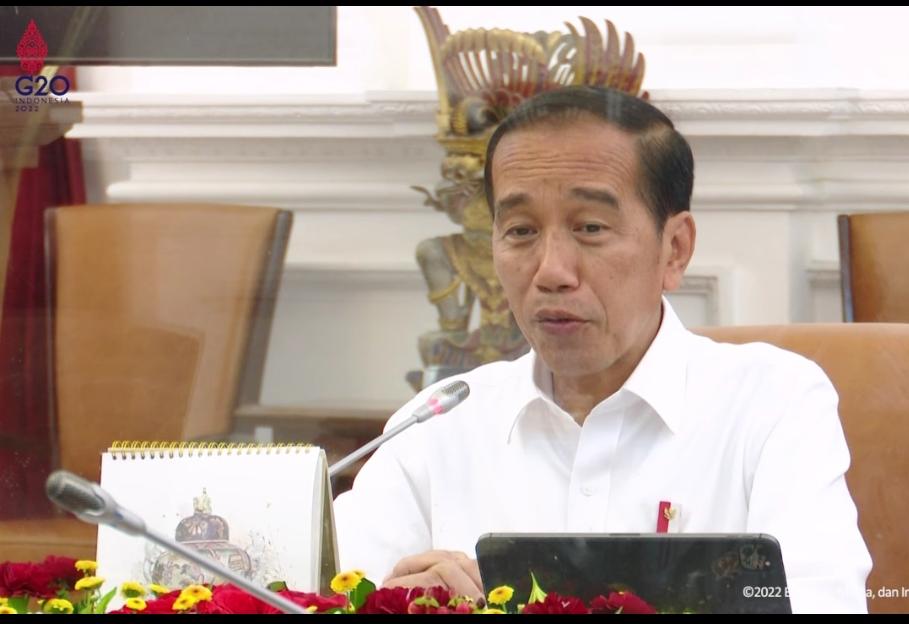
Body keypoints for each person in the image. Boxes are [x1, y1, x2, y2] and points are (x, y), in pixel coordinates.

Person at [333, 86, 871, 613]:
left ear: (675, 249)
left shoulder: (772, 404)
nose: (551, 271)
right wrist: (390, 602)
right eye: (520, 231)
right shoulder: (437, 425)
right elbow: (325, 595)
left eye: (590, 227)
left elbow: (822, 603)